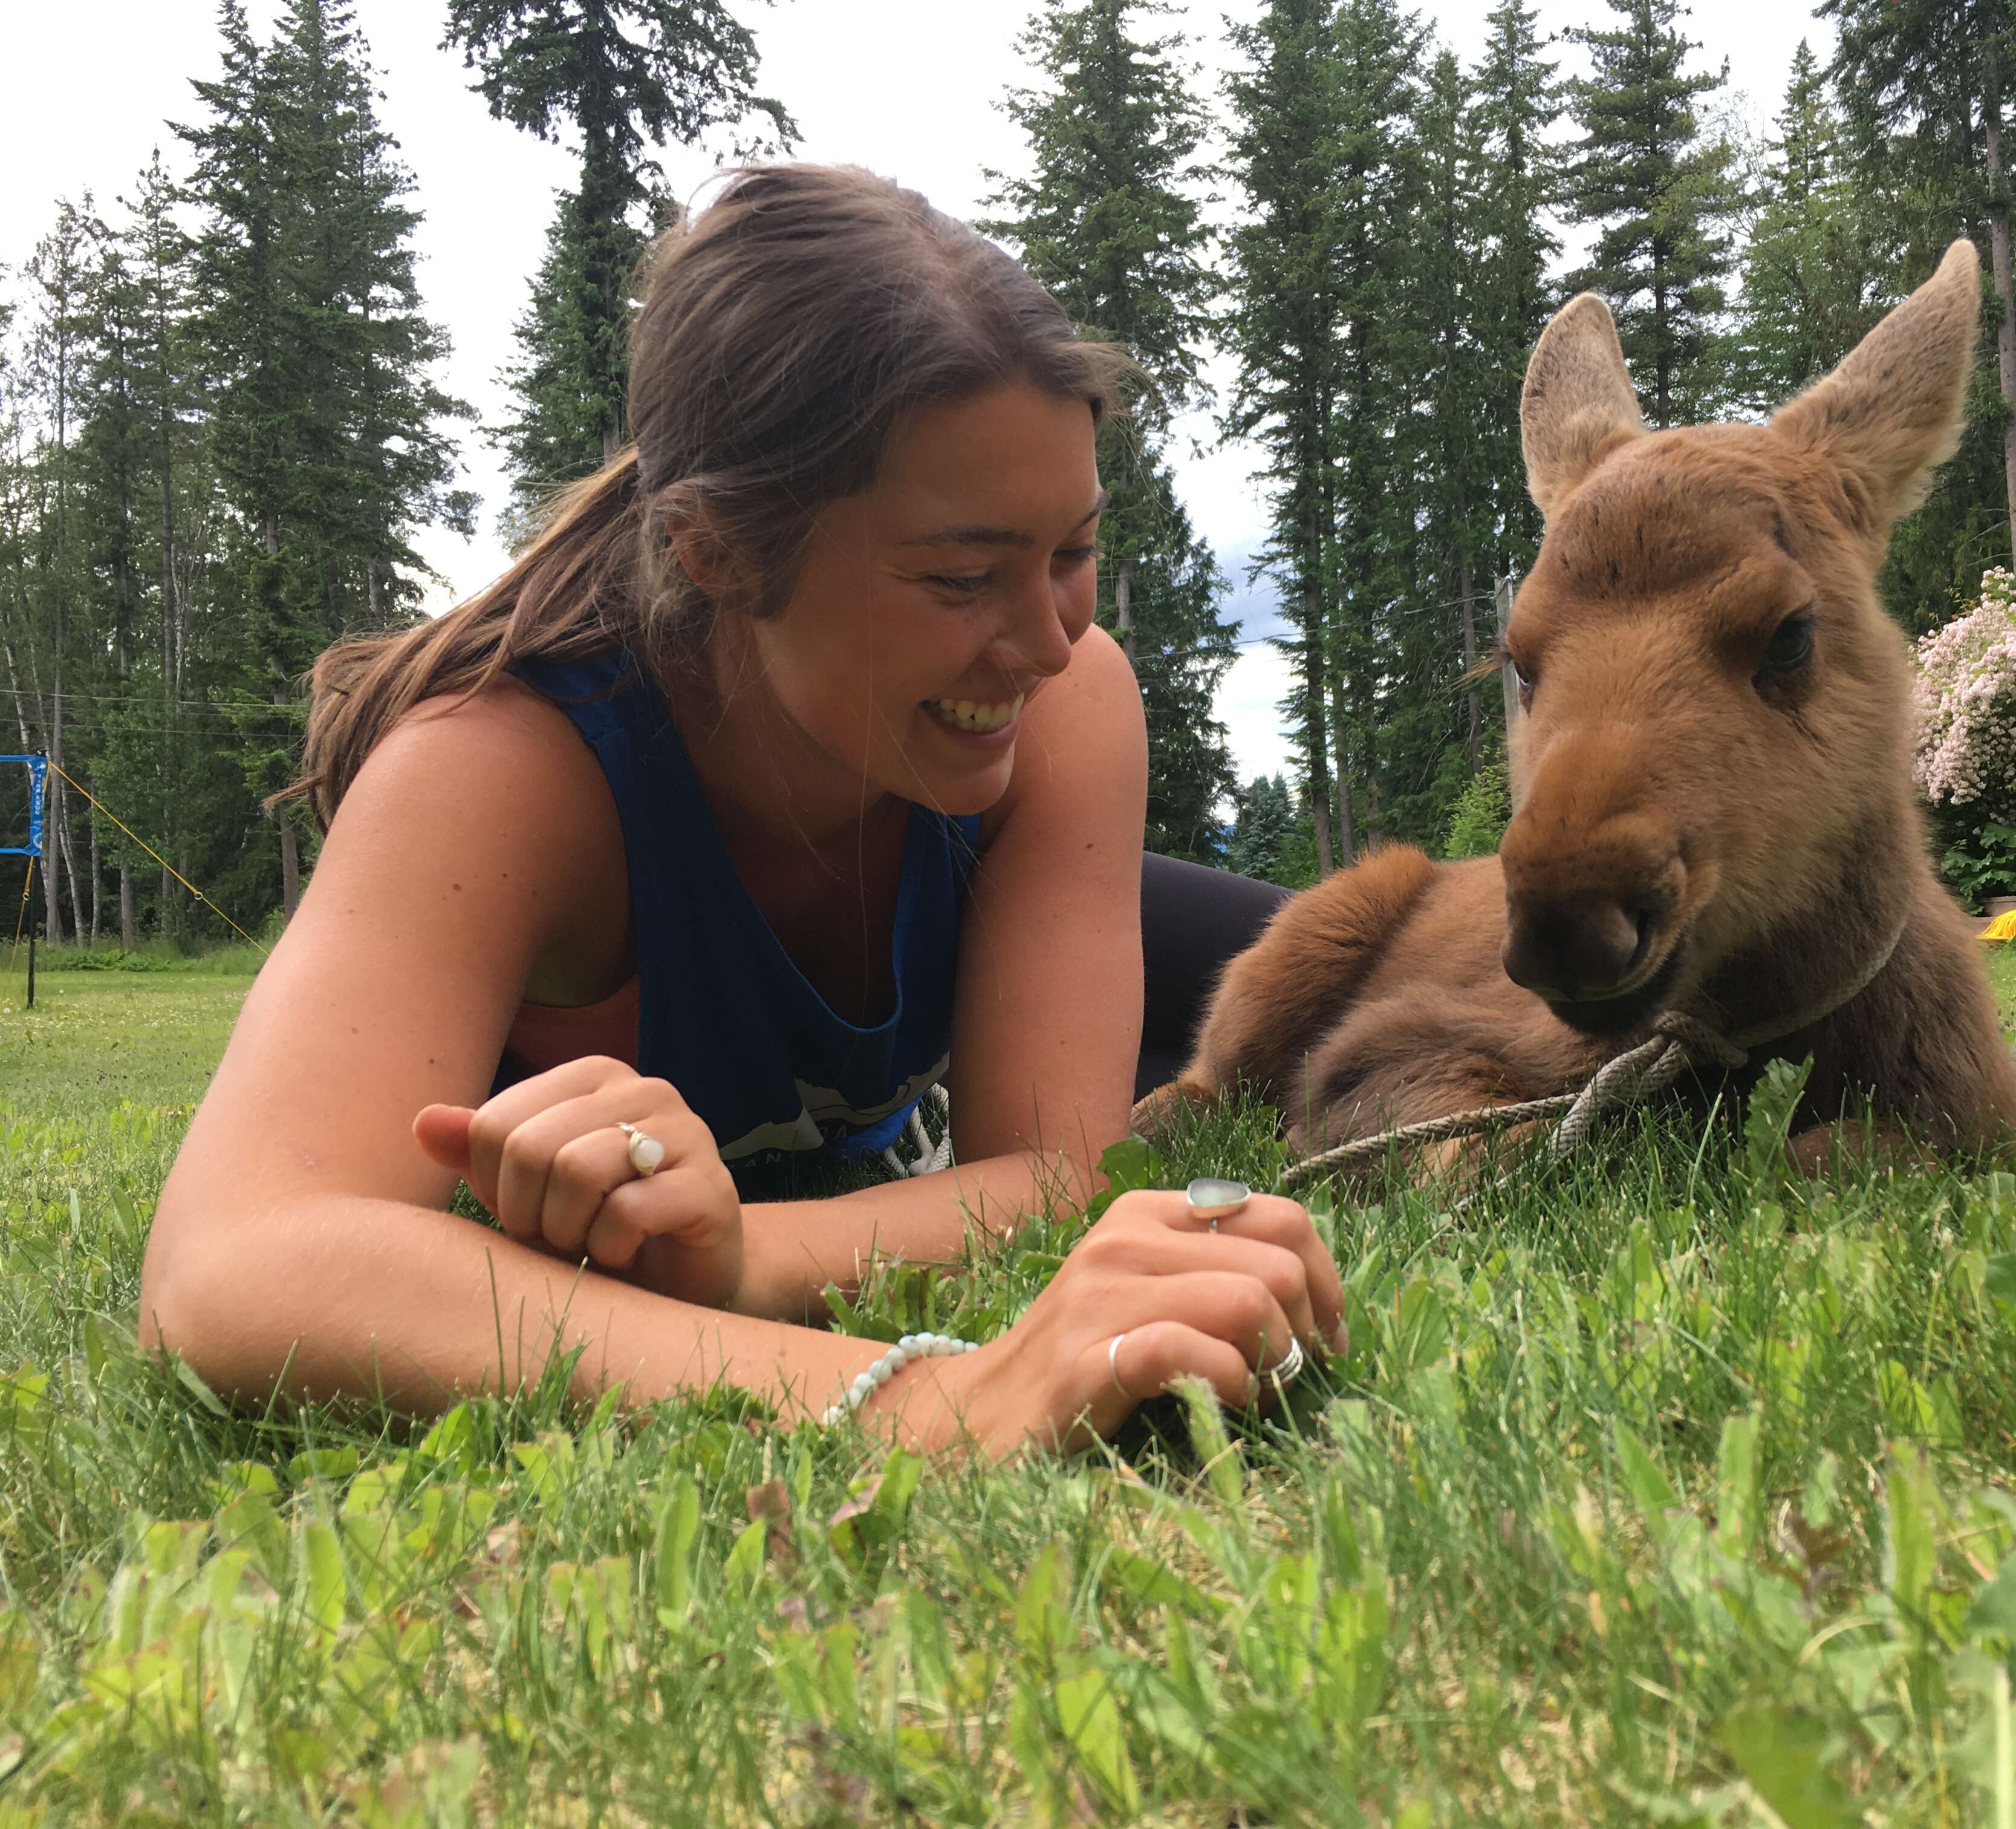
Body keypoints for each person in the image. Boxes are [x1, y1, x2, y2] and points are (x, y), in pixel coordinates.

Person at [137, 165, 1342, 1458]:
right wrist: (931, 1397)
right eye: (962, 578)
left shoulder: (1066, 703)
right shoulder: (500, 763)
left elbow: (1052, 1175)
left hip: (1114, 918)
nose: (1048, 641)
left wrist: (743, 1258)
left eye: (1072, 554)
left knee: (1377, 982)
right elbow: (235, 1266)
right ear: (713, 550)